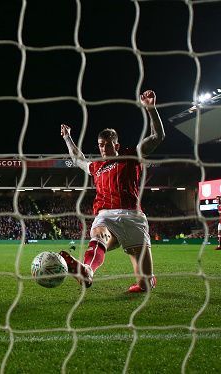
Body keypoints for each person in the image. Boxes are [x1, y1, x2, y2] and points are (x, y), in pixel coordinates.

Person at [59, 89, 165, 293]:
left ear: (116, 144)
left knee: (145, 286)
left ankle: (146, 280)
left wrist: (151, 109)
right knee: (98, 237)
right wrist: (67, 138)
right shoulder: (96, 167)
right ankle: (87, 270)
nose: (103, 148)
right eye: (100, 145)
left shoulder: (132, 156)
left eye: (107, 145)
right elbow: (77, 158)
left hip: (133, 217)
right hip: (106, 216)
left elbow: (157, 136)